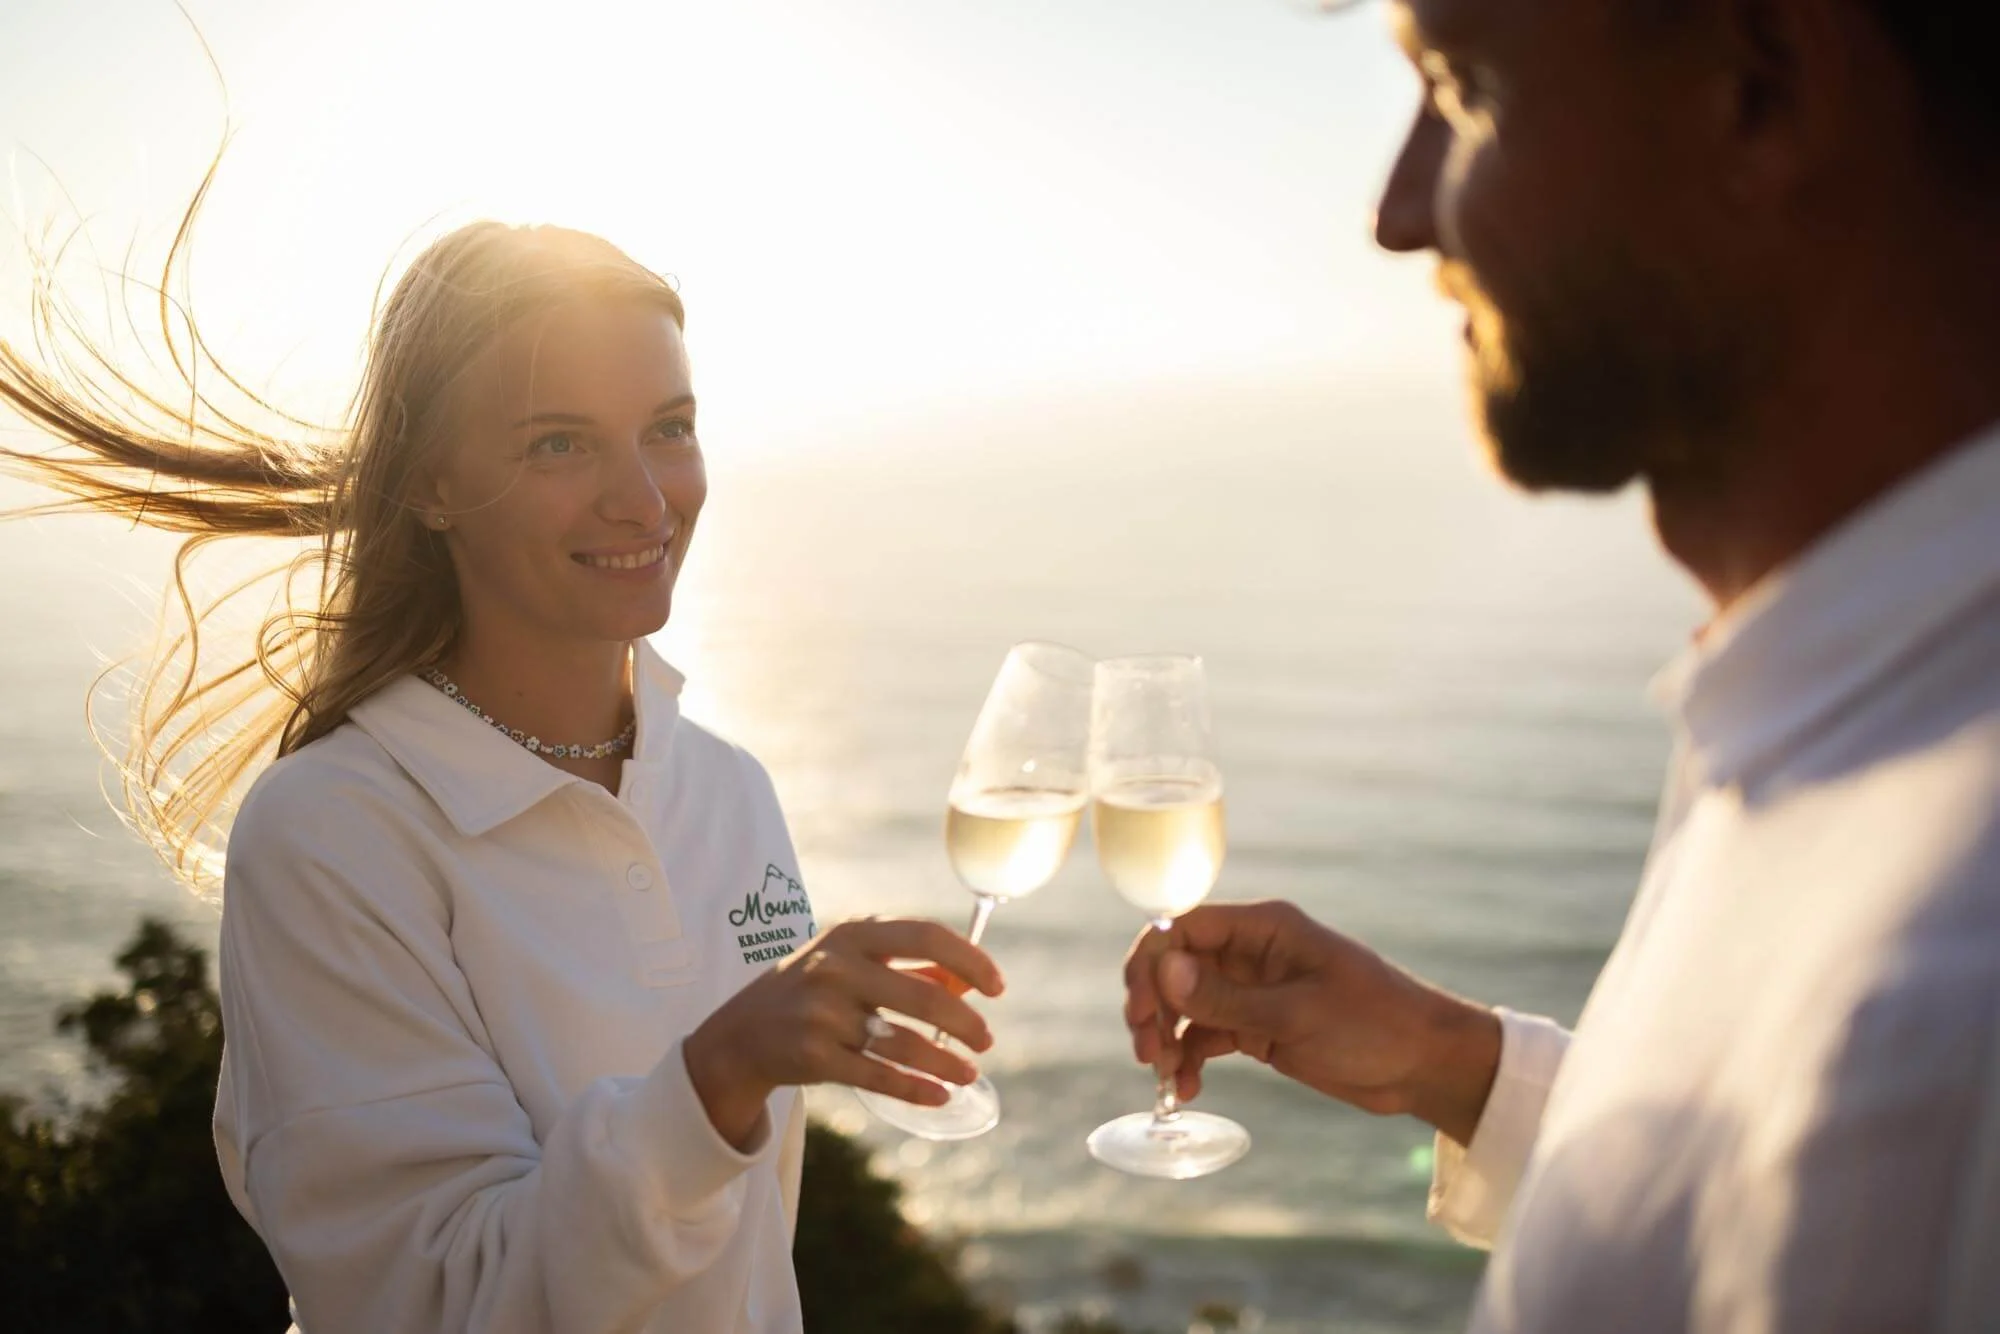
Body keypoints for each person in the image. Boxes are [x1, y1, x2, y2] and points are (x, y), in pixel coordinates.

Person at [1122, 0, 2000, 1329]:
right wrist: (1461, 1069)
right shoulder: (1832, 709)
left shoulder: (1953, 958)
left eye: (1465, 91)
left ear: (1758, 92)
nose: (1399, 213)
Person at [0, 202, 1004, 1332]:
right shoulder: (334, 833)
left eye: (667, 426)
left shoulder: (729, 791)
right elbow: (431, 1299)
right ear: (429, 484)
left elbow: (747, 1262)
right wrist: (716, 1073)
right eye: (558, 442)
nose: (642, 495)